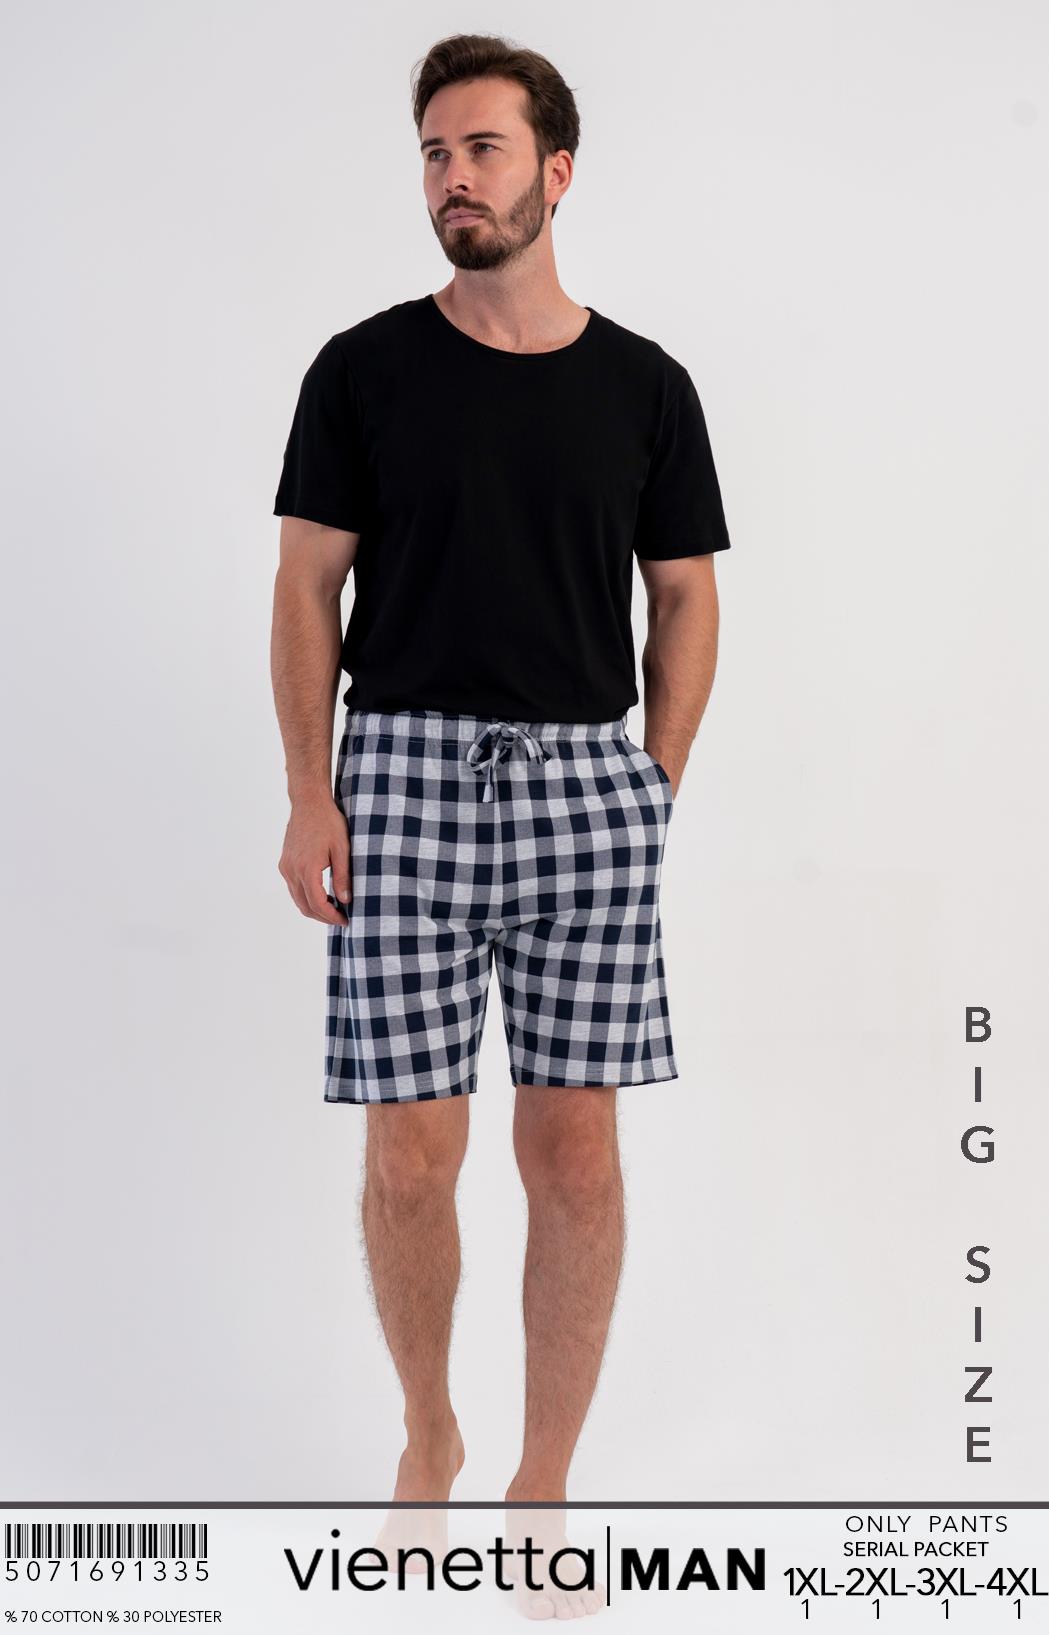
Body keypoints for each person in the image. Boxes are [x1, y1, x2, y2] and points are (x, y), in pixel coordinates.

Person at [270, 31, 730, 1615]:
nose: (450, 179)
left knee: (575, 1155)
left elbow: (685, 599)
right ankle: (429, 1435)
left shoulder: (645, 387)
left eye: (480, 149)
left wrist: (651, 780)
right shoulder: (362, 369)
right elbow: (305, 587)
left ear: (556, 170)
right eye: (432, 153)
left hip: (584, 786)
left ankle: (542, 1487)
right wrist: (309, 788)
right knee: (411, 1157)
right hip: (397, 781)